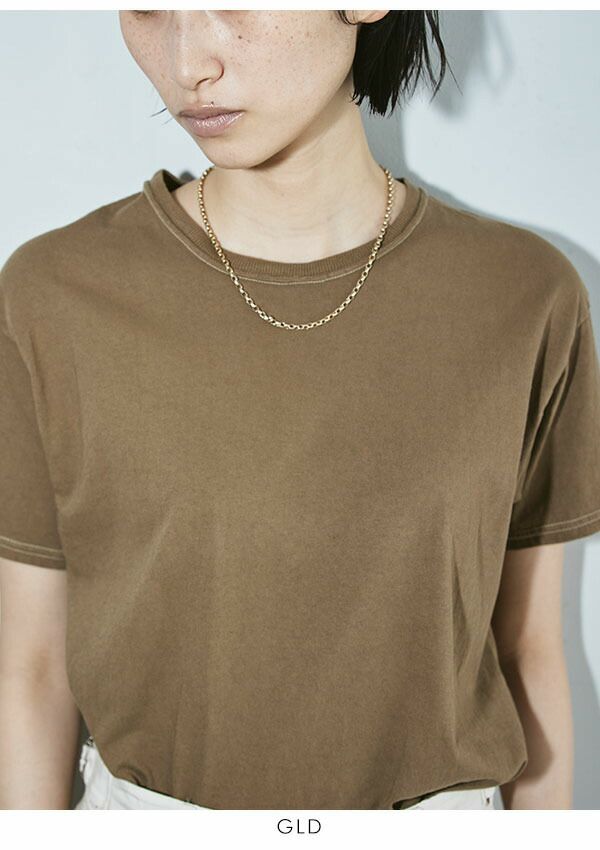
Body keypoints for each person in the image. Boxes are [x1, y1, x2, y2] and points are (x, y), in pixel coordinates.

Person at [0, 10, 599, 812]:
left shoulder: (522, 296)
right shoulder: (55, 296)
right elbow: (32, 667)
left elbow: (530, 650)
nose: (187, 62)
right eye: (146, 5)